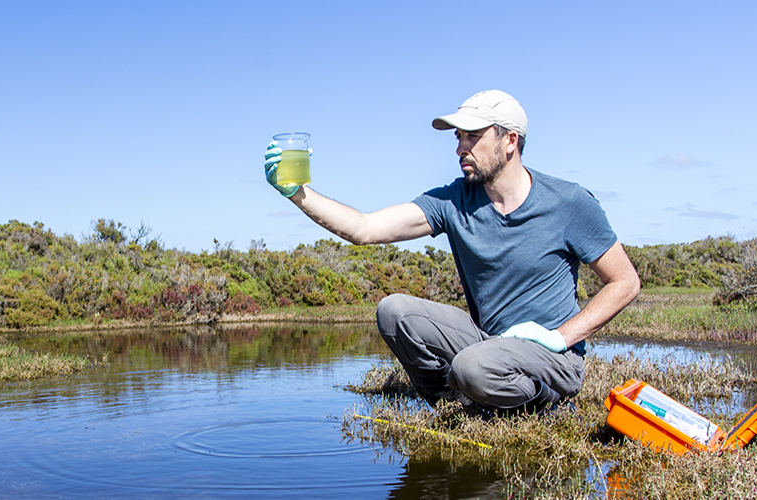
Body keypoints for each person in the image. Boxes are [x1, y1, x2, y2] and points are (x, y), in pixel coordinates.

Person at [262, 90, 641, 412]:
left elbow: (624, 282)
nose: (460, 148)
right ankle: (451, 399)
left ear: (510, 141)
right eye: (458, 137)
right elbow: (365, 228)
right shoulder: (454, 200)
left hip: (552, 356)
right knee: (394, 312)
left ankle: (538, 400)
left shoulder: (568, 202)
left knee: (474, 367)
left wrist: (561, 336)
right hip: (487, 341)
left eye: (472, 136)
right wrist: (298, 194)